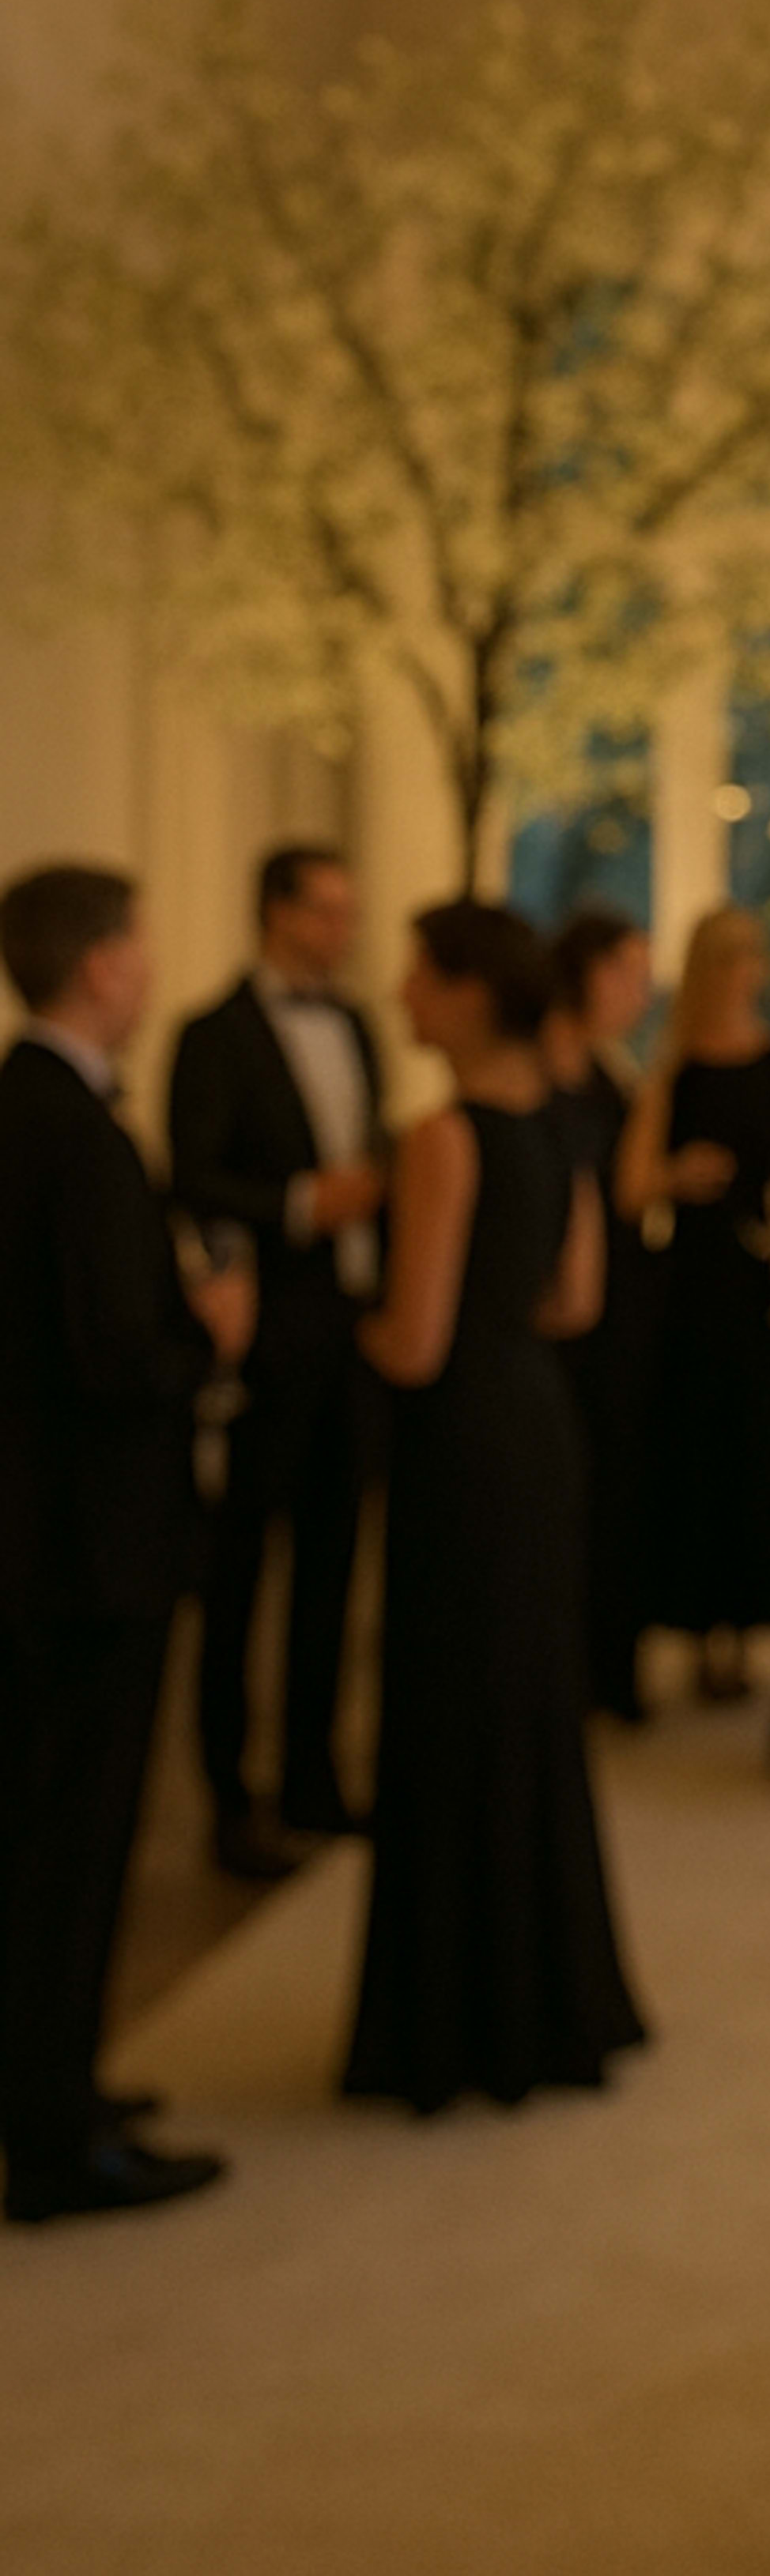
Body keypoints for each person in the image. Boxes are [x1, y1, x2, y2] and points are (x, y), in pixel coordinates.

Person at [345, 901, 645, 2115]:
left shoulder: (439, 1139)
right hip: (536, 1427)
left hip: (461, 1439)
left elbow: (411, 1346)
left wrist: (325, 1336)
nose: (404, 994)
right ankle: (546, 1997)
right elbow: (573, 1302)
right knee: (527, 1703)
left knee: (447, 1706)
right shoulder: (563, 1131)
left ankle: (450, 2025)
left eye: (419, 974)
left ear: (470, 995)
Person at [0, 867, 249, 2224]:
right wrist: (205, 1337)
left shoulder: (29, 1108)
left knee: (54, 1831)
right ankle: (54, 2132)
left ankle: (57, 2083)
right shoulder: (77, 1131)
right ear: (100, 965)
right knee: (75, 1840)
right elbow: (104, 1360)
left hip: (51, 1542)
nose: (150, 969)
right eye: (141, 946)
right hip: (92, 1550)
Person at [168, 844, 388, 1877]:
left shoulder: (353, 1023)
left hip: (350, 1329)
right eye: (328, 911)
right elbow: (198, 1177)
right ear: (276, 913)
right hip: (267, 1326)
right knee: (241, 1565)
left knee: (335, 1560)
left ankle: (314, 1771)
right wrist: (305, 1205)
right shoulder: (211, 1036)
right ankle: (228, 1790)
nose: (343, 930)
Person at [619, 908, 770, 1703]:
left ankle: (750, 1629)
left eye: (748, 958)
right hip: (690, 1287)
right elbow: (632, 1187)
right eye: (723, 960)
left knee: (758, 1450)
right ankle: (701, 1629)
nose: (739, 974)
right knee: (693, 1452)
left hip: (755, 1282)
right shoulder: (672, 1071)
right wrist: (676, 1176)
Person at [542, 908, 663, 1726]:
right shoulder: (553, 1068)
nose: (641, 990)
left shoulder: (612, 1066)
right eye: (628, 970)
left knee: (618, 1487)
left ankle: (609, 1664)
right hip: (573, 1320)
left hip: (623, 1310)